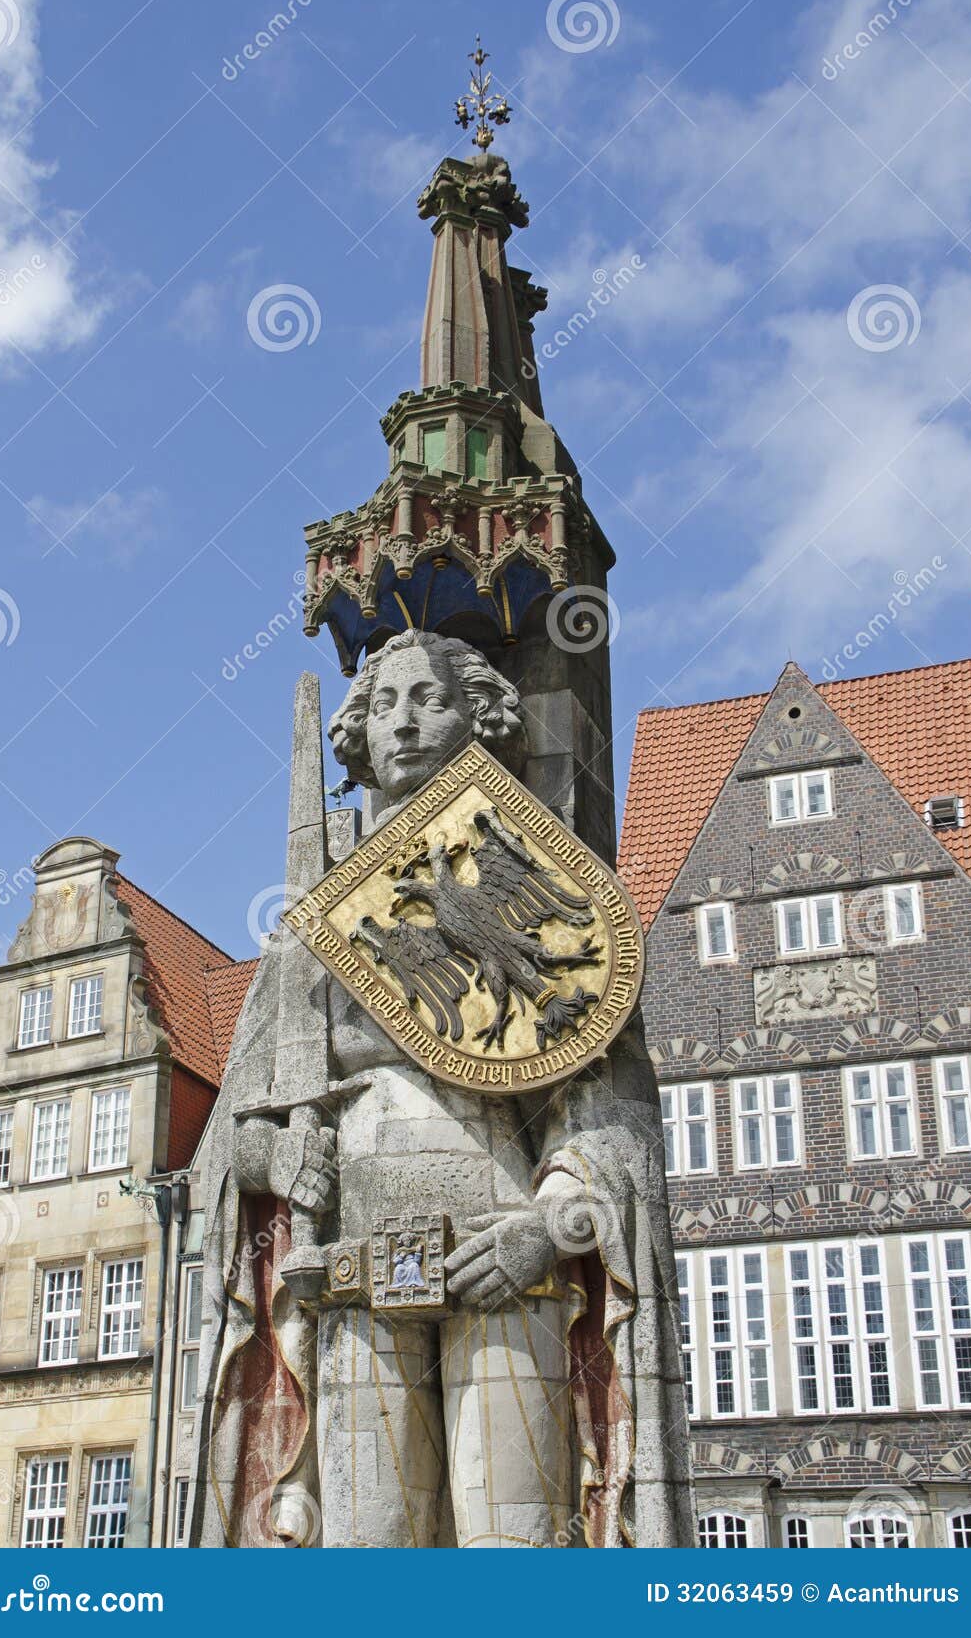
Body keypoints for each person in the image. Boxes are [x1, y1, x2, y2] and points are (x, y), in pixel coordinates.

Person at [195, 631, 693, 1549]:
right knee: (367, 1552)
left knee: (516, 1549)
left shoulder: (536, 881)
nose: (406, 722)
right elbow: (225, 1146)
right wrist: (272, 1153)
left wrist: (551, 1226)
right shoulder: (305, 941)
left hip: (505, 1258)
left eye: (430, 699)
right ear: (357, 733)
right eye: (385, 704)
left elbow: (608, 1108)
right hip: (349, 1266)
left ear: (480, 720)